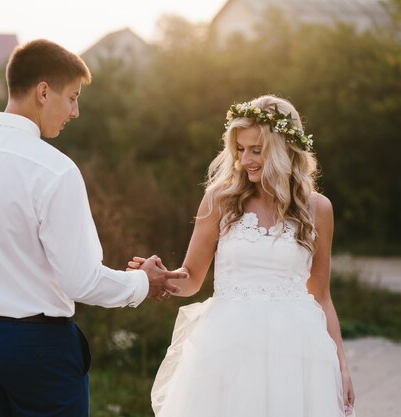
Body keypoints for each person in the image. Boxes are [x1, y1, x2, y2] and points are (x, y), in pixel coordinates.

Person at [0, 39, 186, 417]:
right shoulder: (55, 171)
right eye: (72, 97)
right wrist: (142, 283)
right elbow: (81, 280)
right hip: (39, 350)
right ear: (42, 92)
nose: (76, 112)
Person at [128, 95, 355, 417]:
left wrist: (341, 366)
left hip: (296, 351)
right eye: (240, 149)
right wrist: (162, 279)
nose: (245, 159)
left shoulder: (318, 208)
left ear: (283, 149)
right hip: (228, 346)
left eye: (256, 150)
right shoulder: (220, 200)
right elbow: (192, 279)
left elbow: (321, 295)